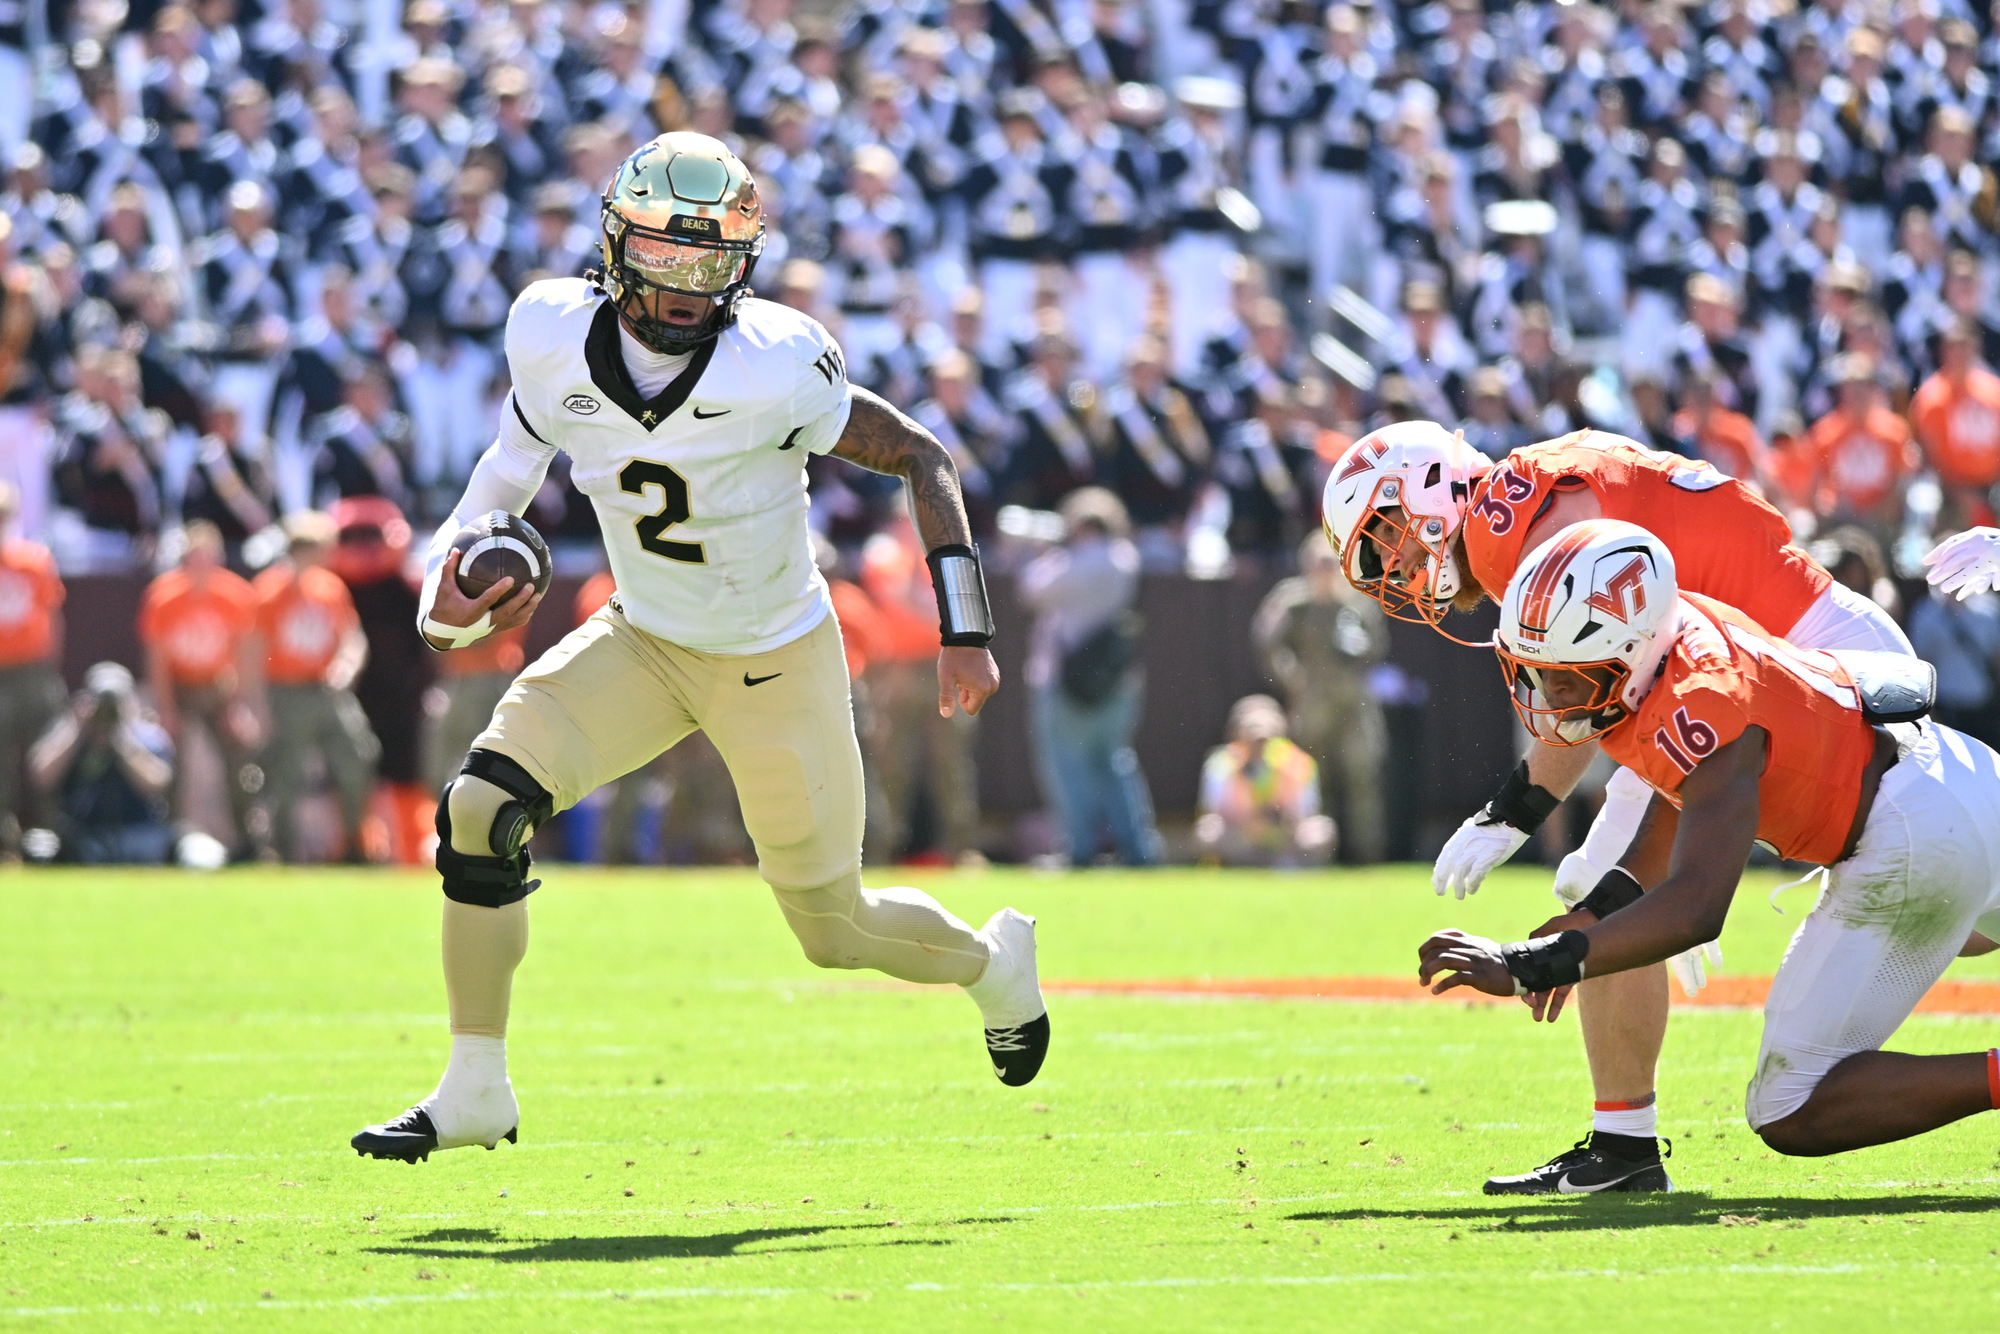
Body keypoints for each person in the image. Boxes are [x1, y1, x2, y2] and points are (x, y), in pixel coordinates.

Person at [353, 133, 1047, 1166]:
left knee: (830, 927)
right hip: (644, 640)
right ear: (614, 244)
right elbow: (502, 476)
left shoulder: (776, 360)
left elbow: (919, 453)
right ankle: (473, 1087)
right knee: (480, 808)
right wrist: (447, 571)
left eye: (711, 261)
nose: (687, 286)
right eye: (667, 257)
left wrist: (967, 627)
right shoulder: (549, 333)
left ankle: (993, 965)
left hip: (774, 656)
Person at [1323, 422, 1912, 1195]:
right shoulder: (1521, 504)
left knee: (1606, 887)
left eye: (1391, 535)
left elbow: (1588, 677)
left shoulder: (1514, 523)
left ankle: (1624, 1149)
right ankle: (1623, 1146)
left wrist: (1515, 808)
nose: (1397, 567)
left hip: (1803, 666)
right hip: (1765, 668)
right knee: (1955, 911)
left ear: (1433, 486)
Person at [1421, 519, 2000, 1162]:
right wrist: (1593, 917)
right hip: (1960, 777)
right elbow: (1672, 809)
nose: (1550, 695)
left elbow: (1696, 906)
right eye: (1538, 672)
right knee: (1965, 936)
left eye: (1568, 676)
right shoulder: (1674, 640)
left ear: (1631, 649)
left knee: (1790, 1106)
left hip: (1918, 832)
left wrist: (1529, 964)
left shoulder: (1703, 698)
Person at [1017, 486, 1162, 868]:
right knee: (1116, 763)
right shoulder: (1125, 559)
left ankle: (1079, 848)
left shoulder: (1074, 564)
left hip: (1065, 680)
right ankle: (1140, 848)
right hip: (1117, 678)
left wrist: (1048, 553)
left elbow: (1030, 588)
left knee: (1067, 766)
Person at [1253, 531, 1387, 862]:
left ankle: (1368, 855)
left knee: (1362, 776)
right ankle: (1320, 855)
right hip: (1312, 701)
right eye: (1318, 564)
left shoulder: (1356, 601)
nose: (1325, 572)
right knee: (1315, 779)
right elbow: (1268, 641)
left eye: (1331, 565)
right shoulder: (1292, 601)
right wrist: (1291, 678)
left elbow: (1377, 646)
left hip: (1352, 701)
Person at [136, 520, 266, 859]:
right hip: (179, 685)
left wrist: (239, 705)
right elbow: (158, 660)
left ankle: (246, 840)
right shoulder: (164, 596)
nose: (202, 567)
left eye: (209, 558)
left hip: (218, 684)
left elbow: (244, 656)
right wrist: (164, 708)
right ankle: (169, 837)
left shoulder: (235, 596)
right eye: (196, 558)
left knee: (239, 760)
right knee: (168, 763)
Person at [254, 511, 378, 862]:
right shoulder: (269, 591)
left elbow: (353, 638)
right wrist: (256, 705)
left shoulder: (330, 587)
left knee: (357, 755)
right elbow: (252, 650)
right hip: (285, 691)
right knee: (285, 774)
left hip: (327, 690)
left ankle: (354, 840)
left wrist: (346, 666)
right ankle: (285, 853)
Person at [29, 662, 176, 864]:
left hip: (138, 832)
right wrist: (79, 732)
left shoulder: (148, 736)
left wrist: (120, 740)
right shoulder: (70, 734)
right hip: (83, 834)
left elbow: (158, 783)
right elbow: (41, 777)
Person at [1193, 694, 1335, 867]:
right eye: (1253, 735)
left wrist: (1279, 821)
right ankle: (1229, 870)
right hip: (1240, 839)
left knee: (1320, 831)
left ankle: (1294, 869)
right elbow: (1212, 813)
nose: (1260, 744)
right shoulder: (1220, 764)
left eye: (1266, 737)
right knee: (1208, 831)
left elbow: (1305, 816)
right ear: (1236, 734)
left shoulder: (1299, 765)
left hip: (1284, 840)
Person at [0, 478, 63, 858]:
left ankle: (51, 836)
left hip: (31, 671)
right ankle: (5, 843)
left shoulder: (34, 560)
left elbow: (53, 618)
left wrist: (49, 669)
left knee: (46, 754)